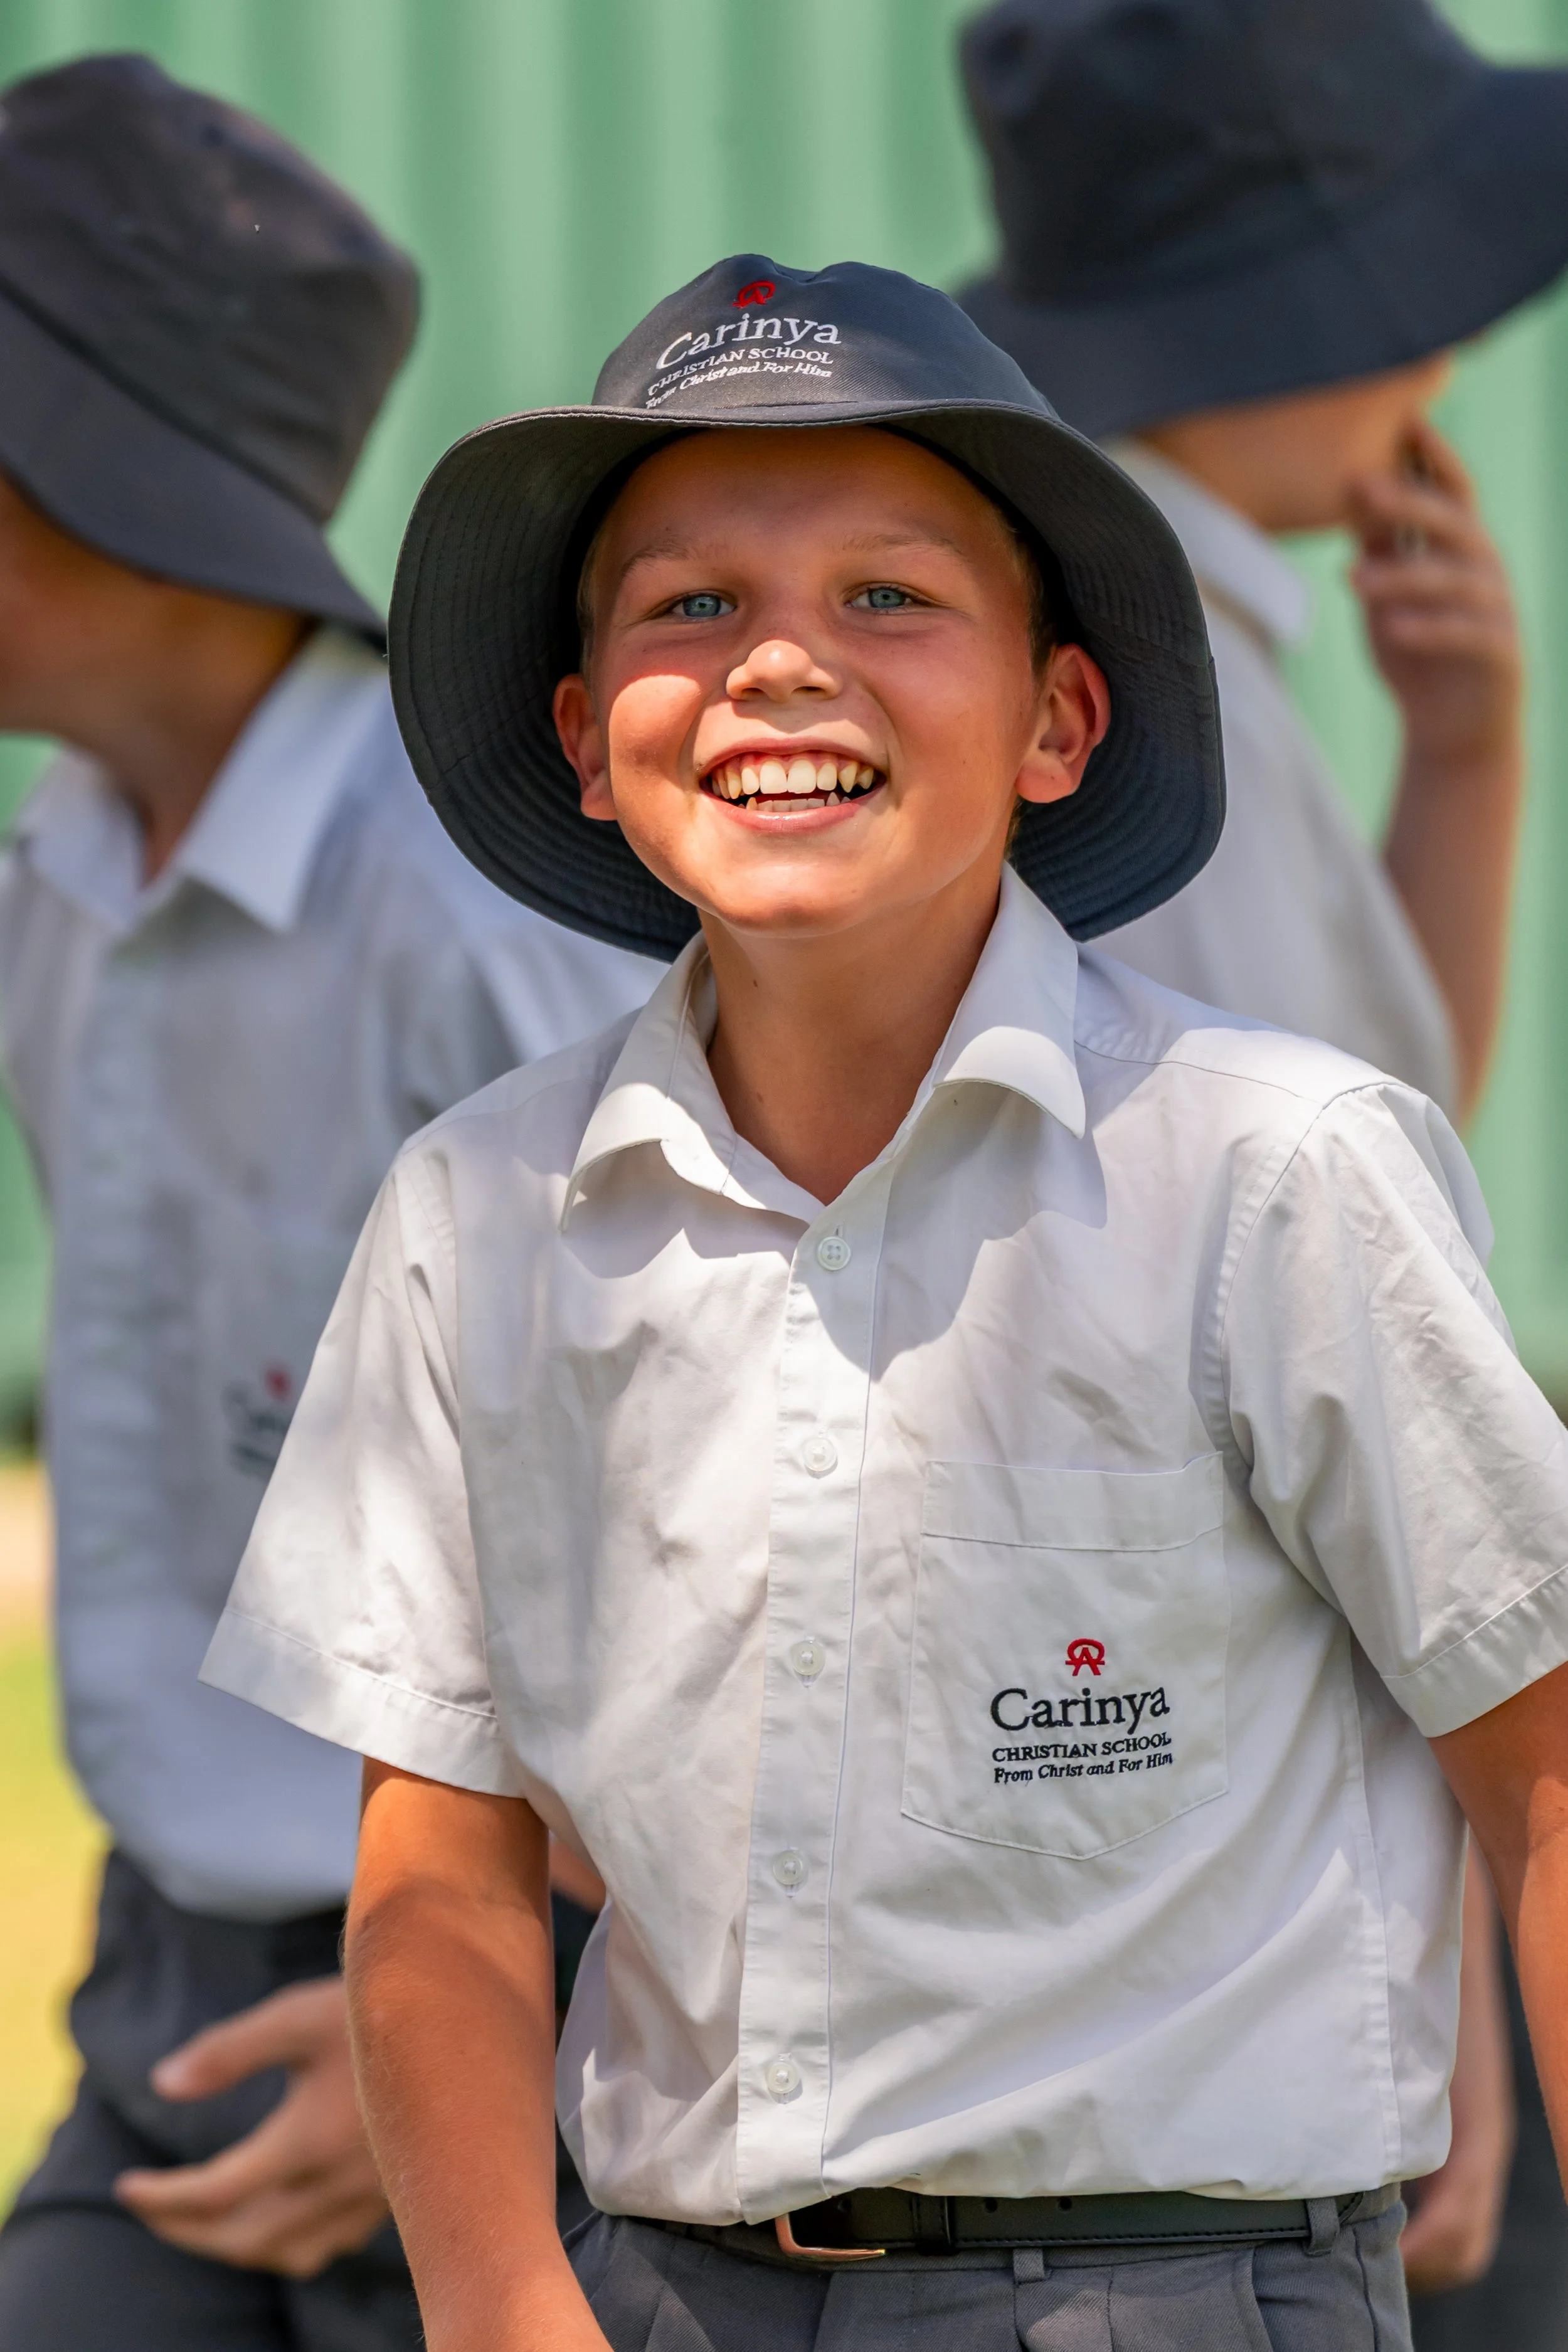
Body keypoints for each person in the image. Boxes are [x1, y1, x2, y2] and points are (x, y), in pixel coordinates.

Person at [201, 254, 1568, 2352]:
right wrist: (502, 2312)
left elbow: (1538, 1767)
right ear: (583, 736)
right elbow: (438, 1858)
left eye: (887, 599)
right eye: (688, 607)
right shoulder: (473, 1210)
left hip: (1182, 2288)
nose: (776, 668)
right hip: (657, 2291)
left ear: (1054, 718)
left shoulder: (1272, 1171)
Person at [0, 55, 655, 2352]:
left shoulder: (476, 911)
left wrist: (516, 2033)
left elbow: (700, 1518)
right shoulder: (56, 885)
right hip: (182, 1965)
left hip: (537, 1964)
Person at [956, 0, 1568, 2321]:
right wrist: (1418, 1899)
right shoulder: (1142, 689)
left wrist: (1469, 757)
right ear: (1299, 304)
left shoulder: (1188, 634)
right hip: (1318, 1752)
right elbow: (1282, 1354)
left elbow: (1369, 1161)